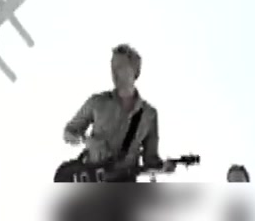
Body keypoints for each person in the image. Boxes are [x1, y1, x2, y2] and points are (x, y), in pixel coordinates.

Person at [62, 43, 175, 182]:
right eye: (112, 67)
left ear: (135, 71)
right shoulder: (97, 102)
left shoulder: (149, 115)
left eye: (120, 67)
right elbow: (69, 132)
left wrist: (163, 168)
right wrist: (87, 141)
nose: (114, 72)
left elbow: (150, 160)